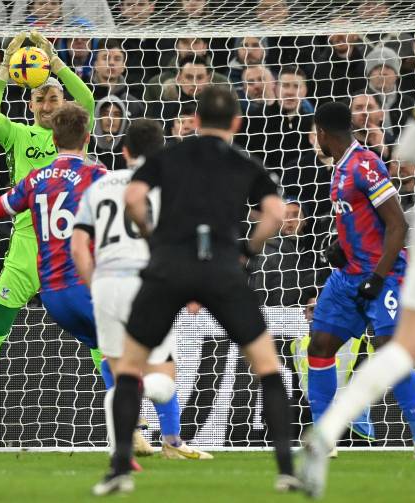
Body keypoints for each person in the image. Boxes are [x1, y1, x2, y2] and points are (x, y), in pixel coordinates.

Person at [93, 86, 293, 495]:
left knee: (129, 368)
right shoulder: (246, 164)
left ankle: (119, 472)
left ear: (195, 121)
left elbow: (133, 198)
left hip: (169, 268)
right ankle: (287, 469)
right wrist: (248, 252)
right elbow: (276, 213)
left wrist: (153, 238)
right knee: (267, 367)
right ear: (236, 123)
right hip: (221, 268)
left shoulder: (168, 158)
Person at [0, 31, 96, 433]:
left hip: (70, 245)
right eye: (41, 98)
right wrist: (3, 75)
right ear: (29, 103)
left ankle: (128, 411)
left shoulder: (75, 133)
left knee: (98, 334)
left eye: (54, 97)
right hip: (27, 244)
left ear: (65, 104)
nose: (47, 104)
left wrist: (58, 65)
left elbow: (90, 102)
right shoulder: (19, 135)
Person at [298, 98, 415, 499]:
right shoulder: (338, 170)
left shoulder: (365, 163)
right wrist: (339, 248)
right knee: (320, 344)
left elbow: (395, 224)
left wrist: (379, 276)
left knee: (391, 348)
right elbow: (360, 222)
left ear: (321, 131)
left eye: (313, 131)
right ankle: (324, 435)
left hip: (383, 275)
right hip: (349, 275)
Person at [71, 118, 212, 460]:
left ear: (124, 151)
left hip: (105, 282)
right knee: (162, 371)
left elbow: (77, 246)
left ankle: (127, 433)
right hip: (148, 282)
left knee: (117, 364)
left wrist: (95, 285)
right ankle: (172, 443)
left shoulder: (99, 185)